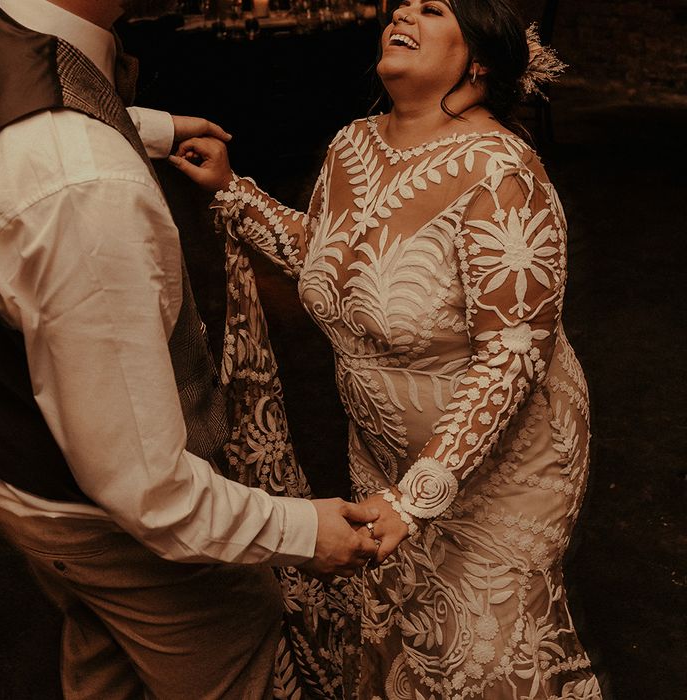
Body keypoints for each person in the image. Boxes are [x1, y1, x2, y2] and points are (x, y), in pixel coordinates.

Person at [0, 0, 381, 697]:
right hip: (92, 517)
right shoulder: (82, 187)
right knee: (229, 635)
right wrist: (304, 530)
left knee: (107, 649)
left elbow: (6, 118)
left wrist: (145, 130)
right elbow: (150, 494)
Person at [171, 0, 604, 697]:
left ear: (480, 59)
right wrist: (234, 191)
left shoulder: (504, 173)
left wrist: (418, 497)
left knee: (482, 655)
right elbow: (331, 263)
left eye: (432, 9)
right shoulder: (353, 145)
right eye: (404, 3)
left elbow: (513, 355)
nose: (404, 11)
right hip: (380, 451)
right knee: (406, 632)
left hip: (506, 463)